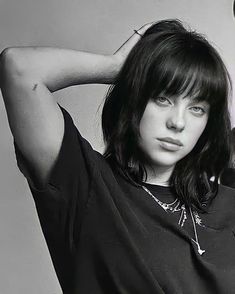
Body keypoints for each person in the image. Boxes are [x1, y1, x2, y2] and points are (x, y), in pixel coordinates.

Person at [0, 19, 235, 294]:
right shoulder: (86, 186)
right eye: (163, 98)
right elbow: (19, 69)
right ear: (134, 98)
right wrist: (120, 65)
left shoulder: (227, 202)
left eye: (197, 108)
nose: (178, 122)